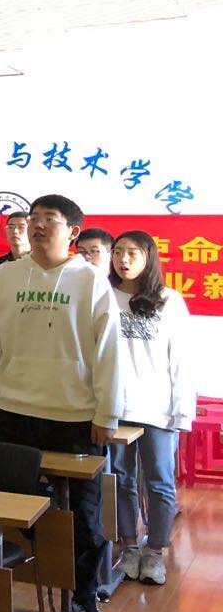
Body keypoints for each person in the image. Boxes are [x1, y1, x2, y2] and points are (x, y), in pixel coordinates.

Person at [0, 193, 121, 612]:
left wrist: (107, 412)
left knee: (84, 519)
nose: (37, 225)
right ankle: (25, 587)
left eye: (49, 219)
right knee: (12, 511)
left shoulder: (91, 280)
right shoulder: (4, 276)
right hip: (12, 412)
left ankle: (83, 598)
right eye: (33, 218)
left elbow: (108, 352)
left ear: (72, 231)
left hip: (75, 418)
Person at [110, 230, 194, 587]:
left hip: (157, 408)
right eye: (118, 252)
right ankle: (130, 546)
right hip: (114, 406)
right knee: (121, 479)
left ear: (149, 257)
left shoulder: (169, 301)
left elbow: (181, 360)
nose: (123, 259)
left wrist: (182, 410)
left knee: (159, 481)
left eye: (132, 253)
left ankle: (155, 550)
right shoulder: (103, 297)